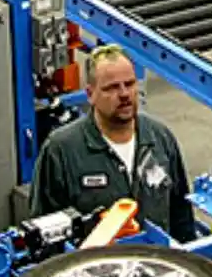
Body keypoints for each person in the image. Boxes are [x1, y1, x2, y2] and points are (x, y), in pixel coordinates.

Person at [29, 44, 197, 242]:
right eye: (112, 88)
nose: (124, 94)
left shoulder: (160, 137)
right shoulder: (61, 150)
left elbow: (181, 216)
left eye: (130, 84)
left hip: (158, 265)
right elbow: (45, 232)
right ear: (90, 95)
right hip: (94, 270)